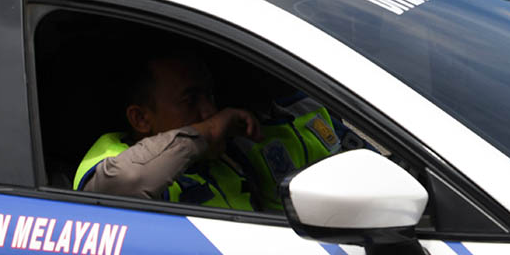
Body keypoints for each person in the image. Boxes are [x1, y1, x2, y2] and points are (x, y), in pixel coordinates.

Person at [73, 50, 342, 211]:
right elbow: (126, 181)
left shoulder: (223, 158)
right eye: (190, 100)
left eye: (209, 95)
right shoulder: (110, 159)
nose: (209, 111)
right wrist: (209, 132)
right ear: (141, 118)